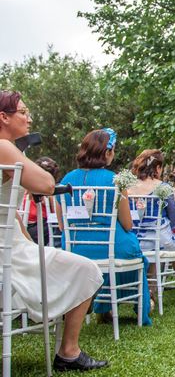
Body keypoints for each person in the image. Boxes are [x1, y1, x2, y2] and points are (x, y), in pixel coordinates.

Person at [0, 90, 107, 371]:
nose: (29, 118)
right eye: (23, 112)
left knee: (55, 259)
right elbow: (47, 184)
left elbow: (7, 213)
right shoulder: (3, 146)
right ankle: (68, 351)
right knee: (88, 269)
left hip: (10, 242)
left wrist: (28, 243)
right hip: (6, 251)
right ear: (3, 117)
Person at [60, 128, 153, 326]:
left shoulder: (66, 179)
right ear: (107, 152)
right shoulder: (115, 181)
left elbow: (62, 224)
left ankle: (103, 307)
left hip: (74, 248)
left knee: (126, 253)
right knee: (137, 256)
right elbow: (127, 224)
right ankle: (137, 309)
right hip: (111, 245)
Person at [128, 150, 175, 302]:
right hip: (160, 239)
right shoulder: (163, 187)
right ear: (157, 168)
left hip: (135, 240)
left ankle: (150, 291)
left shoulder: (129, 187)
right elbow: (174, 218)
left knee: (151, 247)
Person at [23, 156, 61, 244]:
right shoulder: (48, 194)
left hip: (24, 225)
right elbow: (54, 215)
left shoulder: (25, 188)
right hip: (39, 229)